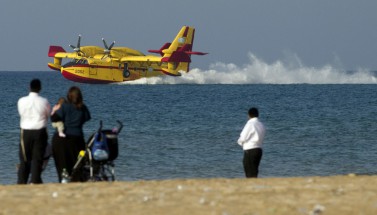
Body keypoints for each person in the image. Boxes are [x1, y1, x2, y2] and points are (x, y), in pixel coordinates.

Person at [51, 86, 91, 182]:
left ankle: (63, 181)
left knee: (62, 168)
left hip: (61, 141)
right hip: (77, 140)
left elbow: (54, 118)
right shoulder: (83, 108)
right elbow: (87, 118)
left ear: (68, 96)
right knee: (77, 166)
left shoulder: (65, 106)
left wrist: (55, 111)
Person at [17, 79, 51, 184]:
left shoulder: (21, 101)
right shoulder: (44, 101)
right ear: (40, 88)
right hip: (40, 131)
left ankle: (22, 182)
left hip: (26, 131)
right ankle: (35, 181)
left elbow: (21, 113)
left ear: (29, 87)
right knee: (37, 158)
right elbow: (48, 114)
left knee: (24, 158)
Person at [237, 107, 266, 178]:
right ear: (258, 115)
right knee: (255, 171)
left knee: (249, 172)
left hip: (250, 150)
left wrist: (240, 142)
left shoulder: (250, 124)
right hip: (259, 149)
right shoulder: (261, 125)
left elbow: (243, 137)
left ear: (249, 115)